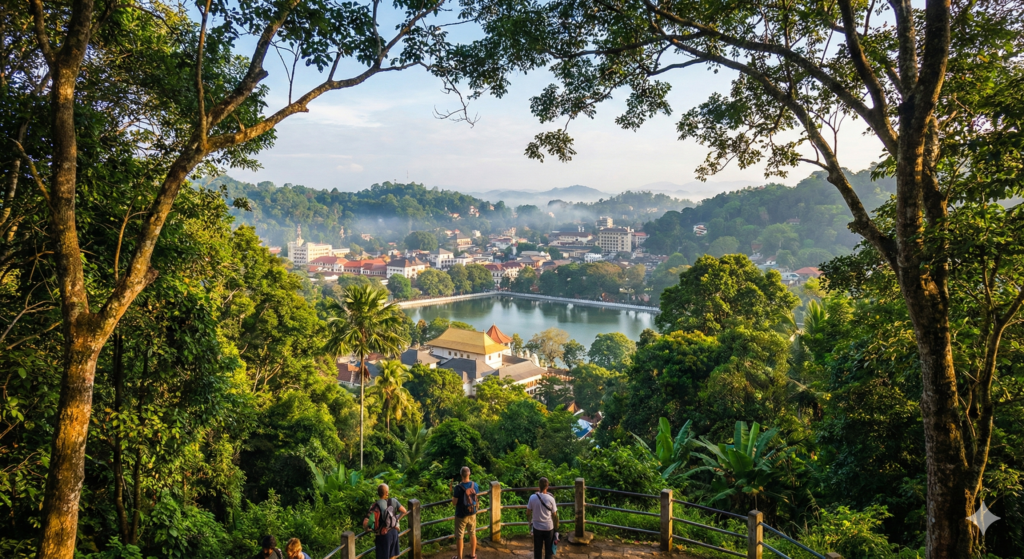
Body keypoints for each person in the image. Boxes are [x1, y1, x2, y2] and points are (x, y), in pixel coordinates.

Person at [363, 483, 407, 559]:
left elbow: (367, 522)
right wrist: (397, 519)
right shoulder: (393, 501)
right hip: (394, 532)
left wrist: (367, 529)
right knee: (392, 556)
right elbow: (404, 511)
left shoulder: (375, 505)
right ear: (386, 493)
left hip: (383, 535)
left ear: (378, 493)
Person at [451, 466, 479, 559]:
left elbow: (454, 503)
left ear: (461, 475)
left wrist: (452, 498)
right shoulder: (475, 485)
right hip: (472, 513)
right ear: (469, 474)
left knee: (460, 536)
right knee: (472, 533)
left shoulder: (458, 488)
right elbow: (476, 498)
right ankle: (473, 555)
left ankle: (459, 557)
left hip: (461, 515)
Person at [526, 477, 558, 559]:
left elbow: (528, 513)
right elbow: (554, 515)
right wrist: (556, 528)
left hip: (537, 527)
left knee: (537, 550)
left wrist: (530, 523)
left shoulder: (532, 497)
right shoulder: (551, 499)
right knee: (548, 551)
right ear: (547, 486)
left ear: (538, 486)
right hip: (549, 527)